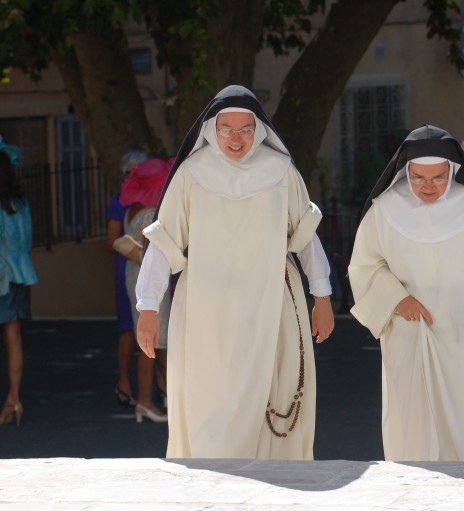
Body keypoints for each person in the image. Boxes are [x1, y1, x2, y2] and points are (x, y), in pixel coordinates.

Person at [134, 85, 335, 459]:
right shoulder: (191, 174)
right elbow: (164, 243)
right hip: (205, 311)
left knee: (271, 401)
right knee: (210, 401)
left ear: (258, 130)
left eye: (245, 129)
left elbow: (306, 238)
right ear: (212, 129)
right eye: (228, 128)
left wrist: (321, 296)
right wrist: (148, 308)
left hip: (271, 305)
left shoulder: (280, 171)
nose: (236, 138)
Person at [348, 125, 464, 461]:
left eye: (437, 178)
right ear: (406, 171)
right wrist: (396, 298)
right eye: (418, 178)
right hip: (411, 330)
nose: (427, 187)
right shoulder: (385, 209)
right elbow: (363, 266)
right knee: (414, 418)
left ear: (452, 171)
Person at [116, 157, 174, 423]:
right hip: (151, 279)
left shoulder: (131, 208)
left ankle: (158, 397)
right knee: (154, 342)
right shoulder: (152, 212)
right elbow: (160, 253)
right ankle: (147, 401)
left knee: (152, 341)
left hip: (134, 275)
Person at [0, 146, 38, 426]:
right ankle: (14, 399)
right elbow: (27, 242)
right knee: (14, 339)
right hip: (20, 274)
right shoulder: (21, 203)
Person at [107, 150, 148, 407]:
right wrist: (134, 251)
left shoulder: (156, 199)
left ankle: (161, 385)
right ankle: (124, 381)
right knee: (128, 330)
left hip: (152, 267)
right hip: (129, 267)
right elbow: (111, 241)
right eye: (130, 172)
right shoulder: (119, 201)